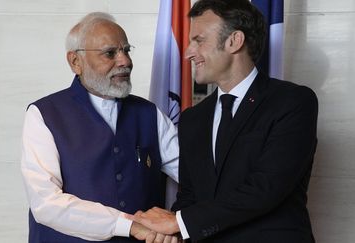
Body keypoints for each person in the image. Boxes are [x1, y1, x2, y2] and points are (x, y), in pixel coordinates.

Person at [131, 0, 318, 242]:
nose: (188, 52)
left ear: (234, 41)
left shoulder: (292, 102)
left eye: (198, 40)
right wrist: (172, 231)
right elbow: (189, 196)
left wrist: (178, 222)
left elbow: (265, 188)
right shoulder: (192, 118)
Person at [20, 12, 180, 242]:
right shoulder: (43, 115)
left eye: (126, 50)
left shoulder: (149, 113)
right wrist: (128, 225)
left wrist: (182, 223)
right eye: (110, 53)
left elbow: (194, 176)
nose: (125, 61)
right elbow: (46, 203)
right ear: (76, 62)